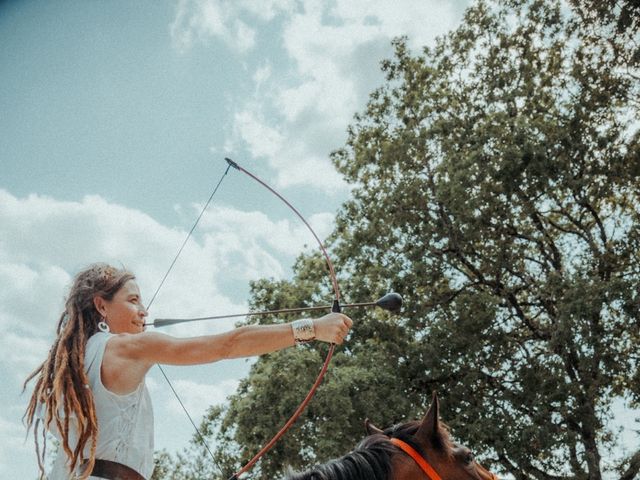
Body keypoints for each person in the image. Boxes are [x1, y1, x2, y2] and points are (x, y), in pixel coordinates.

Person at [23, 263, 352, 480]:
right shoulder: (122, 347)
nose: (143, 310)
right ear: (101, 305)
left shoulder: (68, 366)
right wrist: (311, 328)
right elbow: (227, 345)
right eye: (133, 300)